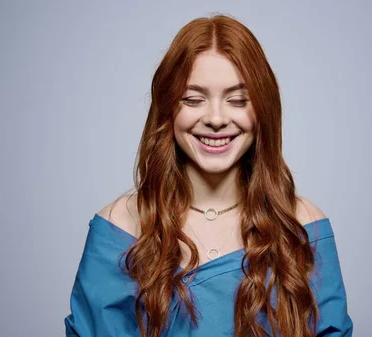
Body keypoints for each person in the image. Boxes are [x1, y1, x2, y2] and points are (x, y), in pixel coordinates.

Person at [64, 14, 353, 337]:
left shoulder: (302, 225)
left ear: (262, 110)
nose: (216, 118)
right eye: (193, 99)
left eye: (238, 100)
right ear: (168, 108)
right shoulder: (120, 226)